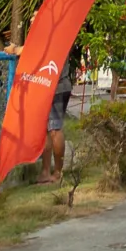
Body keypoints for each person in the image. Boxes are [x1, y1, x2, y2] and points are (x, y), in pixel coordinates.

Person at [39, 46, 79, 184]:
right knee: (46, 129)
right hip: (49, 85)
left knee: (54, 128)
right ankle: (45, 171)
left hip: (56, 86)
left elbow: (42, 50)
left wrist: (18, 50)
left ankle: (57, 172)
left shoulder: (55, 33)